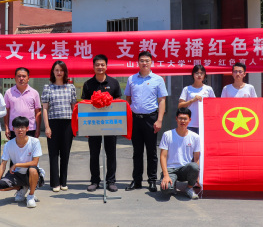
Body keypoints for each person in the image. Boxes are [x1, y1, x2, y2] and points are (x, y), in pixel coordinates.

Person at [125, 51, 168, 192]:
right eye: (142, 60)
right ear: (138, 62)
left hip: (151, 119)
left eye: (147, 60)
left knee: (151, 151)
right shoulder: (131, 79)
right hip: (135, 119)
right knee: (137, 151)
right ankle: (136, 180)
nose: (144, 63)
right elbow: (128, 99)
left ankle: (152, 180)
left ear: (151, 63)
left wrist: (159, 120)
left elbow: (162, 101)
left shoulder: (158, 79)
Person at [82, 54, 122, 192]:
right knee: (94, 154)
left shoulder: (114, 83)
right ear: (93, 67)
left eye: (102, 64)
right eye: (97, 65)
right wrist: (85, 128)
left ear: (106, 66)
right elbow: (84, 105)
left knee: (111, 154)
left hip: (110, 124)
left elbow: (118, 103)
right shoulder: (88, 84)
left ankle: (111, 181)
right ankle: (95, 181)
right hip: (93, 125)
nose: (100, 67)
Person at [0, 116, 44, 208]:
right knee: (1, 185)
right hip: (17, 175)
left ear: (27, 129)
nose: (20, 130)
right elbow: (3, 165)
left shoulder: (35, 142)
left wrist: (17, 164)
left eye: (22, 127)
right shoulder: (9, 144)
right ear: (13, 129)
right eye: (17, 127)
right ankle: (21, 188)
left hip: (32, 174)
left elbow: (35, 163)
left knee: (32, 169)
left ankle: (31, 196)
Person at [42, 61, 77, 192]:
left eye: (61, 70)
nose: (59, 72)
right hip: (53, 123)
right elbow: (45, 109)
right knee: (53, 154)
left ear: (65, 72)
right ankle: (55, 183)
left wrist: (75, 125)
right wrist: (47, 127)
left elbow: (74, 107)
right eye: (56, 70)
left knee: (65, 153)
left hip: (68, 123)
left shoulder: (71, 87)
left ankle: (63, 182)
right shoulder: (48, 87)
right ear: (53, 72)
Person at [159, 108, 201, 200]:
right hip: (171, 169)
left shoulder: (195, 137)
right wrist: (166, 175)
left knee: (194, 166)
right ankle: (171, 184)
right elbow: (163, 156)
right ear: (176, 119)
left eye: (185, 119)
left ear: (189, 120)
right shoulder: (167, 134)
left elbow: (196, 158)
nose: (182, 121)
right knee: (166, 189)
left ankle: (189, 188)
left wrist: (197, 176)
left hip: (185, 169)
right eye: (180, 118)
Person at [4, 67, 41, 139]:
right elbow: (6, 111)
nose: (21, 78)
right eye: (19, 76)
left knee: (29, 146)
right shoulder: (8, 92)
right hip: (14, 128)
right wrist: (6, 128)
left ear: (28, 78)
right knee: (14, 146)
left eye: (24, 76)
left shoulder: (34, 93)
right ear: (15, 78)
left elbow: (38, 112)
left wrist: (38, 129)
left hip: (30, 128)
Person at [178, 65, 215, 134]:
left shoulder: (208, 89)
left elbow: (214, 105)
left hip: (204, 122)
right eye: (197, 73)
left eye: (201, 73)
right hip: (190, 123)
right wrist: (192, 100)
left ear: (204, 75)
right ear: (193, 75)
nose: (199, 75)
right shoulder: (187, 89)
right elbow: (180, 105)